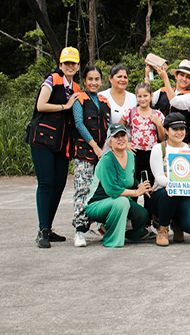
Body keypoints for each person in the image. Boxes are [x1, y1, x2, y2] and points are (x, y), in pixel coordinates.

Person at [25, 46, 82, 248]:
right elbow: (41, 105)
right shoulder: (52, 80)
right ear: (60, 65)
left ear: (77, 66)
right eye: (66, 63)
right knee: (46, 183)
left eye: (73, 63)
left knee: (59, 185)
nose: (70, 66)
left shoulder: (75, 87)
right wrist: (64, 106)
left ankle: (48, 228)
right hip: (42, 141)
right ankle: (42, 230)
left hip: (61, 143)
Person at [84, 124, 151, 248]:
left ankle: (127, 234)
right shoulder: (106, 160)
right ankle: (112, 240)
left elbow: (131, 180)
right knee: (122, 202)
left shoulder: (130, 156)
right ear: (110, 141)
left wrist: (141, 186)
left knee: (143, 214)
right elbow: (112, 190)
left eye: (123, 135)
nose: (120, 139)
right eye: (116, 137)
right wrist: (136, 193)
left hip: (119, 200)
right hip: (97, 204)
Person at [145, 113, 190, 246]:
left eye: (182, 129)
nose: (179, 132)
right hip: (162, 194)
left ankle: (177, 222)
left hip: (183, 195)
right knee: (171, 192)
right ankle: (163, 227)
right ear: (166, 130)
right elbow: (159, 177)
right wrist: (173, 184)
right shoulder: (159, 148)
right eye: (175, 129)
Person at [70, 65, 111, 247]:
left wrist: (104, 150)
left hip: (102, 153)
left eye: (97, 79)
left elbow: (108, 128)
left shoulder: (104, 101)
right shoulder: (80, 99)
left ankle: (100, 226)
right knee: (83, 189)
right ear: (84, 81)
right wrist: (95, 146)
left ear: (101, 81)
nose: (93, 83)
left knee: (102, 191)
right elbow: (79, 124)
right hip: (84, 152)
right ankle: (80, 229)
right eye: (90, 79)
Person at [121, 82, 165, 189]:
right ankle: (132, 204)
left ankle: (149, 205)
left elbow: (163, 138)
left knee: (150, 185)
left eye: (145, 96)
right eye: (139, 96)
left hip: (152, 154)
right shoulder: (130, 112)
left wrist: (158, 124)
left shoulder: (157, 114)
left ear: (151, 96)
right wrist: (126, 143)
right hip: (135, 153)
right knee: (133, 183)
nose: (142, 99)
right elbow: (118, 129)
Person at [148, 59, 190, 138]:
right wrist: (147, 75)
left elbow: (174, 102)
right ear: (176, 76)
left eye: (188, 77)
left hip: (180, 139)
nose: (184, 79)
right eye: (182, 75)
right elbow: (147, 100)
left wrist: (165, 79)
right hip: (160, 136)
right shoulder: (163, 90)